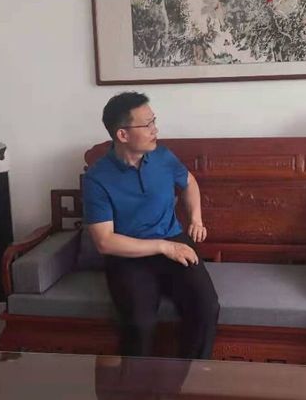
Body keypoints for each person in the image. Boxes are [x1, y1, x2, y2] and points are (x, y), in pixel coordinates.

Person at [83, 92, 219, 358]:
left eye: (154, 121)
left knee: (206, 307)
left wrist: (196, 219)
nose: (155, 130)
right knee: (140, 323)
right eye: (147, 124)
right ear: (123, 134)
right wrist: (162, 247)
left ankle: (192, 374)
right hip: (128, 255)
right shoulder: (97, 178)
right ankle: (137, 379)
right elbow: (104, 241)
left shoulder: (163, 157)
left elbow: (188, 182)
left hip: (174, 242)